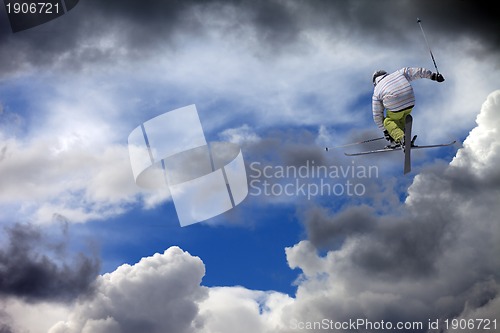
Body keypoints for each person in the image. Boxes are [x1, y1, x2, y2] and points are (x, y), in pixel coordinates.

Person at [372, 67, 444, 145]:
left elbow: (377, 114)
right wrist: (433, 76)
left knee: (388, 121)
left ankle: (401, 139)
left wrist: (386, 130)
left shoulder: (377, 90)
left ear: (375, 82)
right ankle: (402, 138)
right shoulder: (398, 73)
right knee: (402, 118)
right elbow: (417, 72)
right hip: (410, 101)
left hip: (395, 104)